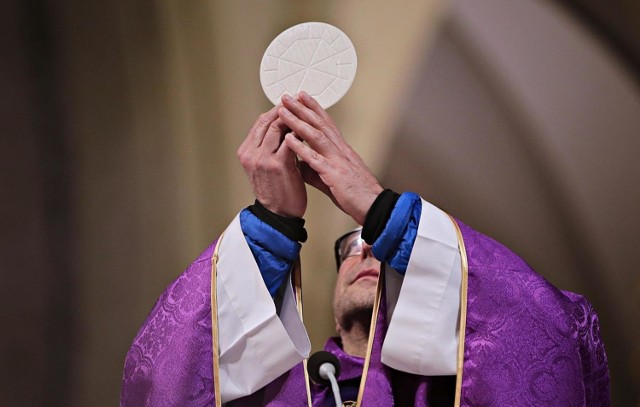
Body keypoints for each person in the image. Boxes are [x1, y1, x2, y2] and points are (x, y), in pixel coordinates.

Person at [121, 92, 610, 406]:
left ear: (432, 300)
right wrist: (272, 224)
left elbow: (549, 338)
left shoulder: (456, 386)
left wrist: (380, 212)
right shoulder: (283, 395)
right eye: (352, 245)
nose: (368, 250)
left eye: (384, 245)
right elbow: (165, 380)